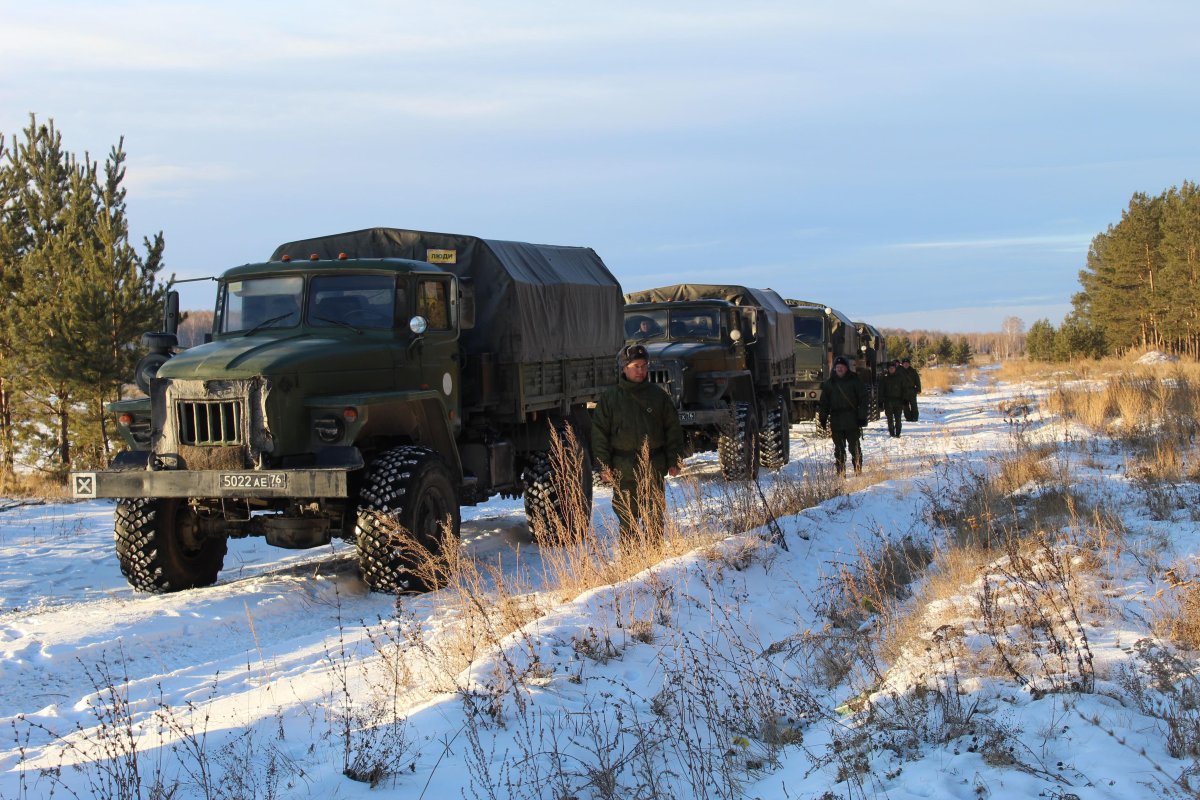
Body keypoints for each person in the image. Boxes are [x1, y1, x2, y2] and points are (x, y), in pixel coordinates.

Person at [591, 343, 686, 542]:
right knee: (627, 519)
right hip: (623, 469)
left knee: (654, 516)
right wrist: (603, 466)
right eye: (636, 366)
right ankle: (632, 562)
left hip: (654, 465)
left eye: (644, 366)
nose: (641, 371)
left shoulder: (658, 396)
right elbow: (600, 434)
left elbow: (673, 429)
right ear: (624, 368)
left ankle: (656, 562)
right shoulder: (610, 399)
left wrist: (674, 460)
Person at [818, 355, 868, 475]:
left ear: (847, 368)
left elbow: (863, 399)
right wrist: (823, 418)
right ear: (834, 368)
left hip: (852, 419)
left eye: (842, 367)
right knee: (839, 449)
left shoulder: (855, 381)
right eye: (837, 367)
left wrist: (862, 417)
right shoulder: (830, 384)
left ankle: (858, 470)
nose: (839, 369)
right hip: (836, 420)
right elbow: (824, 403)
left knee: (854, 447)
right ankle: (840, 472)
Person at [880, 360, 907, 437]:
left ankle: (898, 433)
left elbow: (904, 389)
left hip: (898, 401)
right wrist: (880, 402)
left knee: (898, 418)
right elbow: (881, 391)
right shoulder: (884, 379)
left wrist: (905, 399)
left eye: (893, 368)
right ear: (888, 369)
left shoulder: (900, 378)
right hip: (888, 402)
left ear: (895, 368)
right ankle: (891, 432)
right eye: (890, 368)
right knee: (890, 419)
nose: (891, 369)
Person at [900, 356, 922, 421]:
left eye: (907, 363)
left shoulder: (913, 371)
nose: (906, 364)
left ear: (909, 364)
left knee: (914, 405)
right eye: (904, 363)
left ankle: (915, 417)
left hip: (912, 391)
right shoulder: (899, 372)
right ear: (902, 364)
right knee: (905, 406)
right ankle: (908, 418)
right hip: (903, 392)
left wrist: (918, 389)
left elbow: (917, 380)